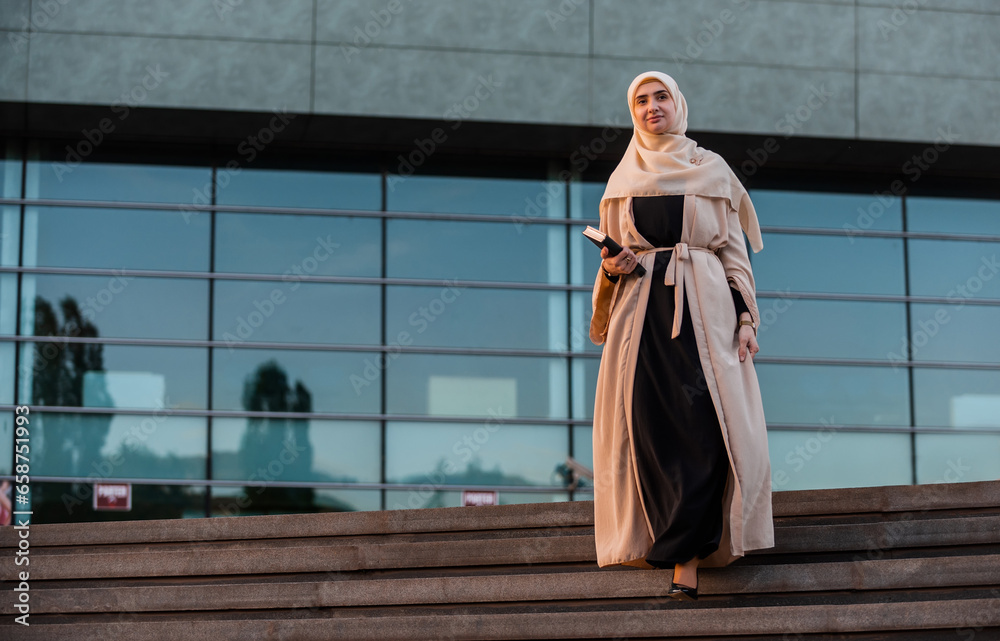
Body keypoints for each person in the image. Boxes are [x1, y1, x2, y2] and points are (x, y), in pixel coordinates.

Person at [589, 71, 775, 600]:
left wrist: (746, 320)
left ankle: (687, 558)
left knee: (706, 426)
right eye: (642, 101)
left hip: (706, 309)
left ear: (678, 104)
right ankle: (663, 538)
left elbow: (733, 255)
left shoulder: (709, 168)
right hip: (640, 315)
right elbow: (611, 262)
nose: (652, 107)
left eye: (661, 97)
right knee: (647, 424)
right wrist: (614, 265)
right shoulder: (623, 178)